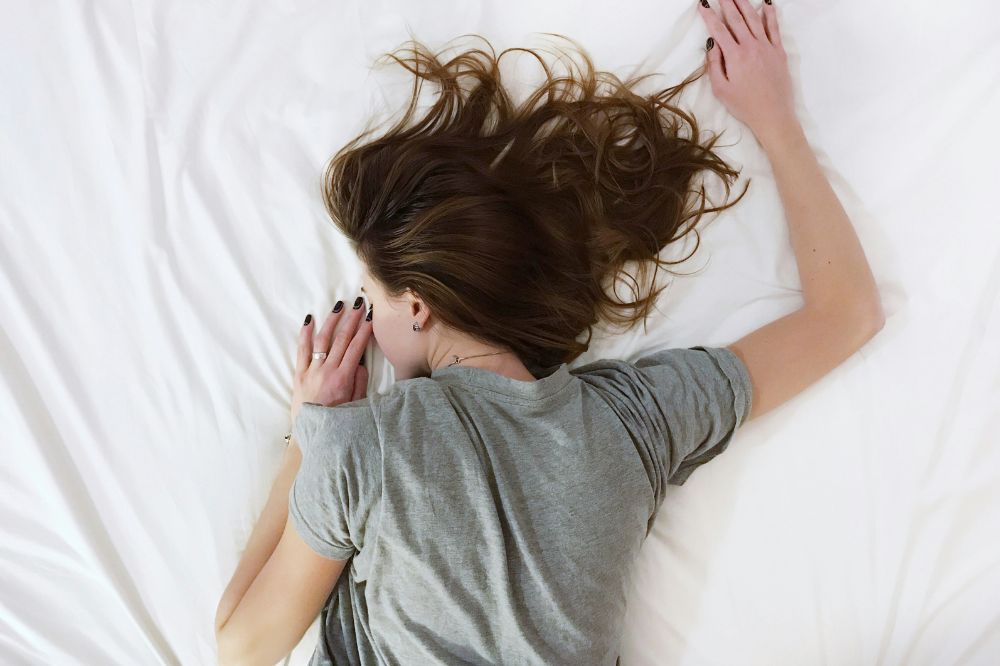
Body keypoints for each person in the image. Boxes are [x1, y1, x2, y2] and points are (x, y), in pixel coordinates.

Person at [215, 1, 885, 664]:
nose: (368, 318)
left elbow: (241, 648)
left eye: (371, 299)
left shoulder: (360, 447)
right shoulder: (633, 421)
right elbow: (847, 314)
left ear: (417, 307)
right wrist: (776, 122)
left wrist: (308, 435)